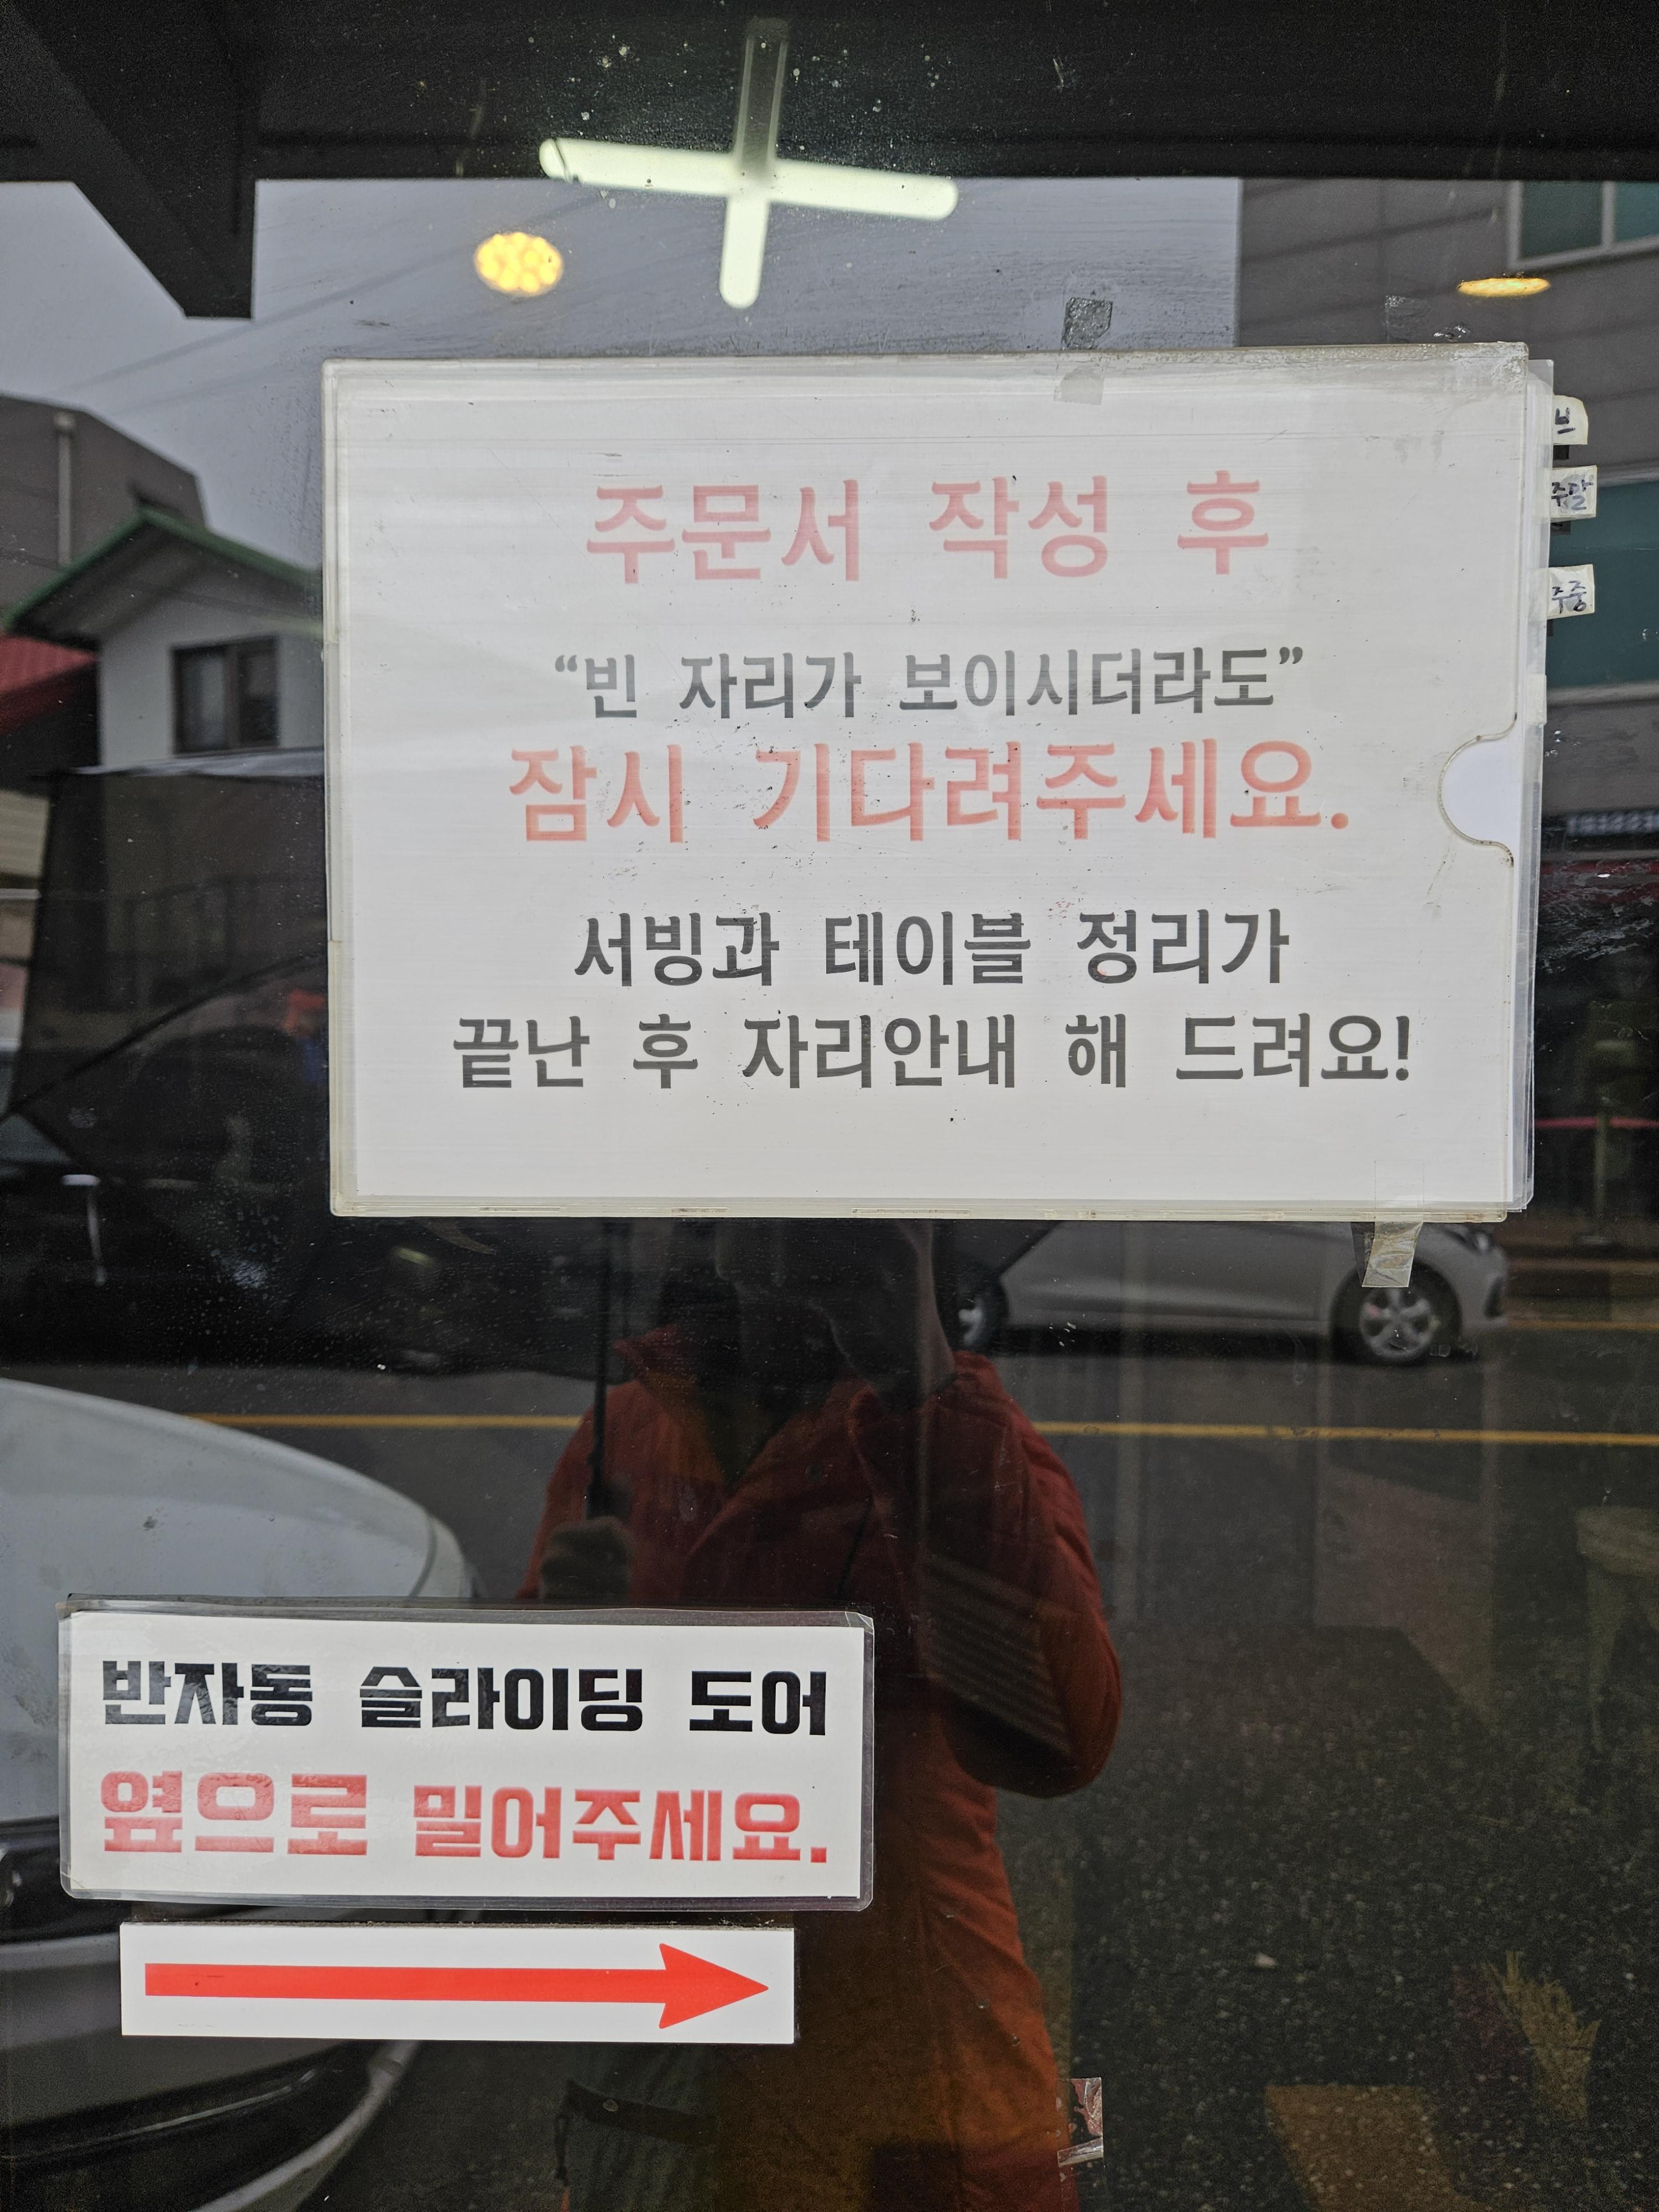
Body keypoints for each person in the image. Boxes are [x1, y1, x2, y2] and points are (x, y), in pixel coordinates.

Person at [520, 1222, 1121, 2212]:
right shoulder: (626, 1431)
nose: (784, 1245)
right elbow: (532, 1773)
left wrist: (917, 1379)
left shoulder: (953, 1429)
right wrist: (570, 1647)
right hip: (669, 2082)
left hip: (907, 2090)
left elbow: (1055, 1742)